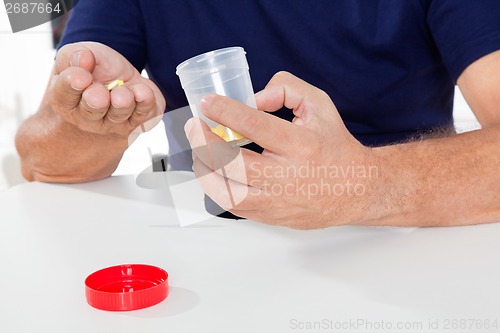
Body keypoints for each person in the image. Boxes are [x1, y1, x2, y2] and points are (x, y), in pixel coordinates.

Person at [15, 0, 500, 228]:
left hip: (401, 236)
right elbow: (42, 163)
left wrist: (366, 184)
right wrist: (83, 120)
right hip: (209, 240)